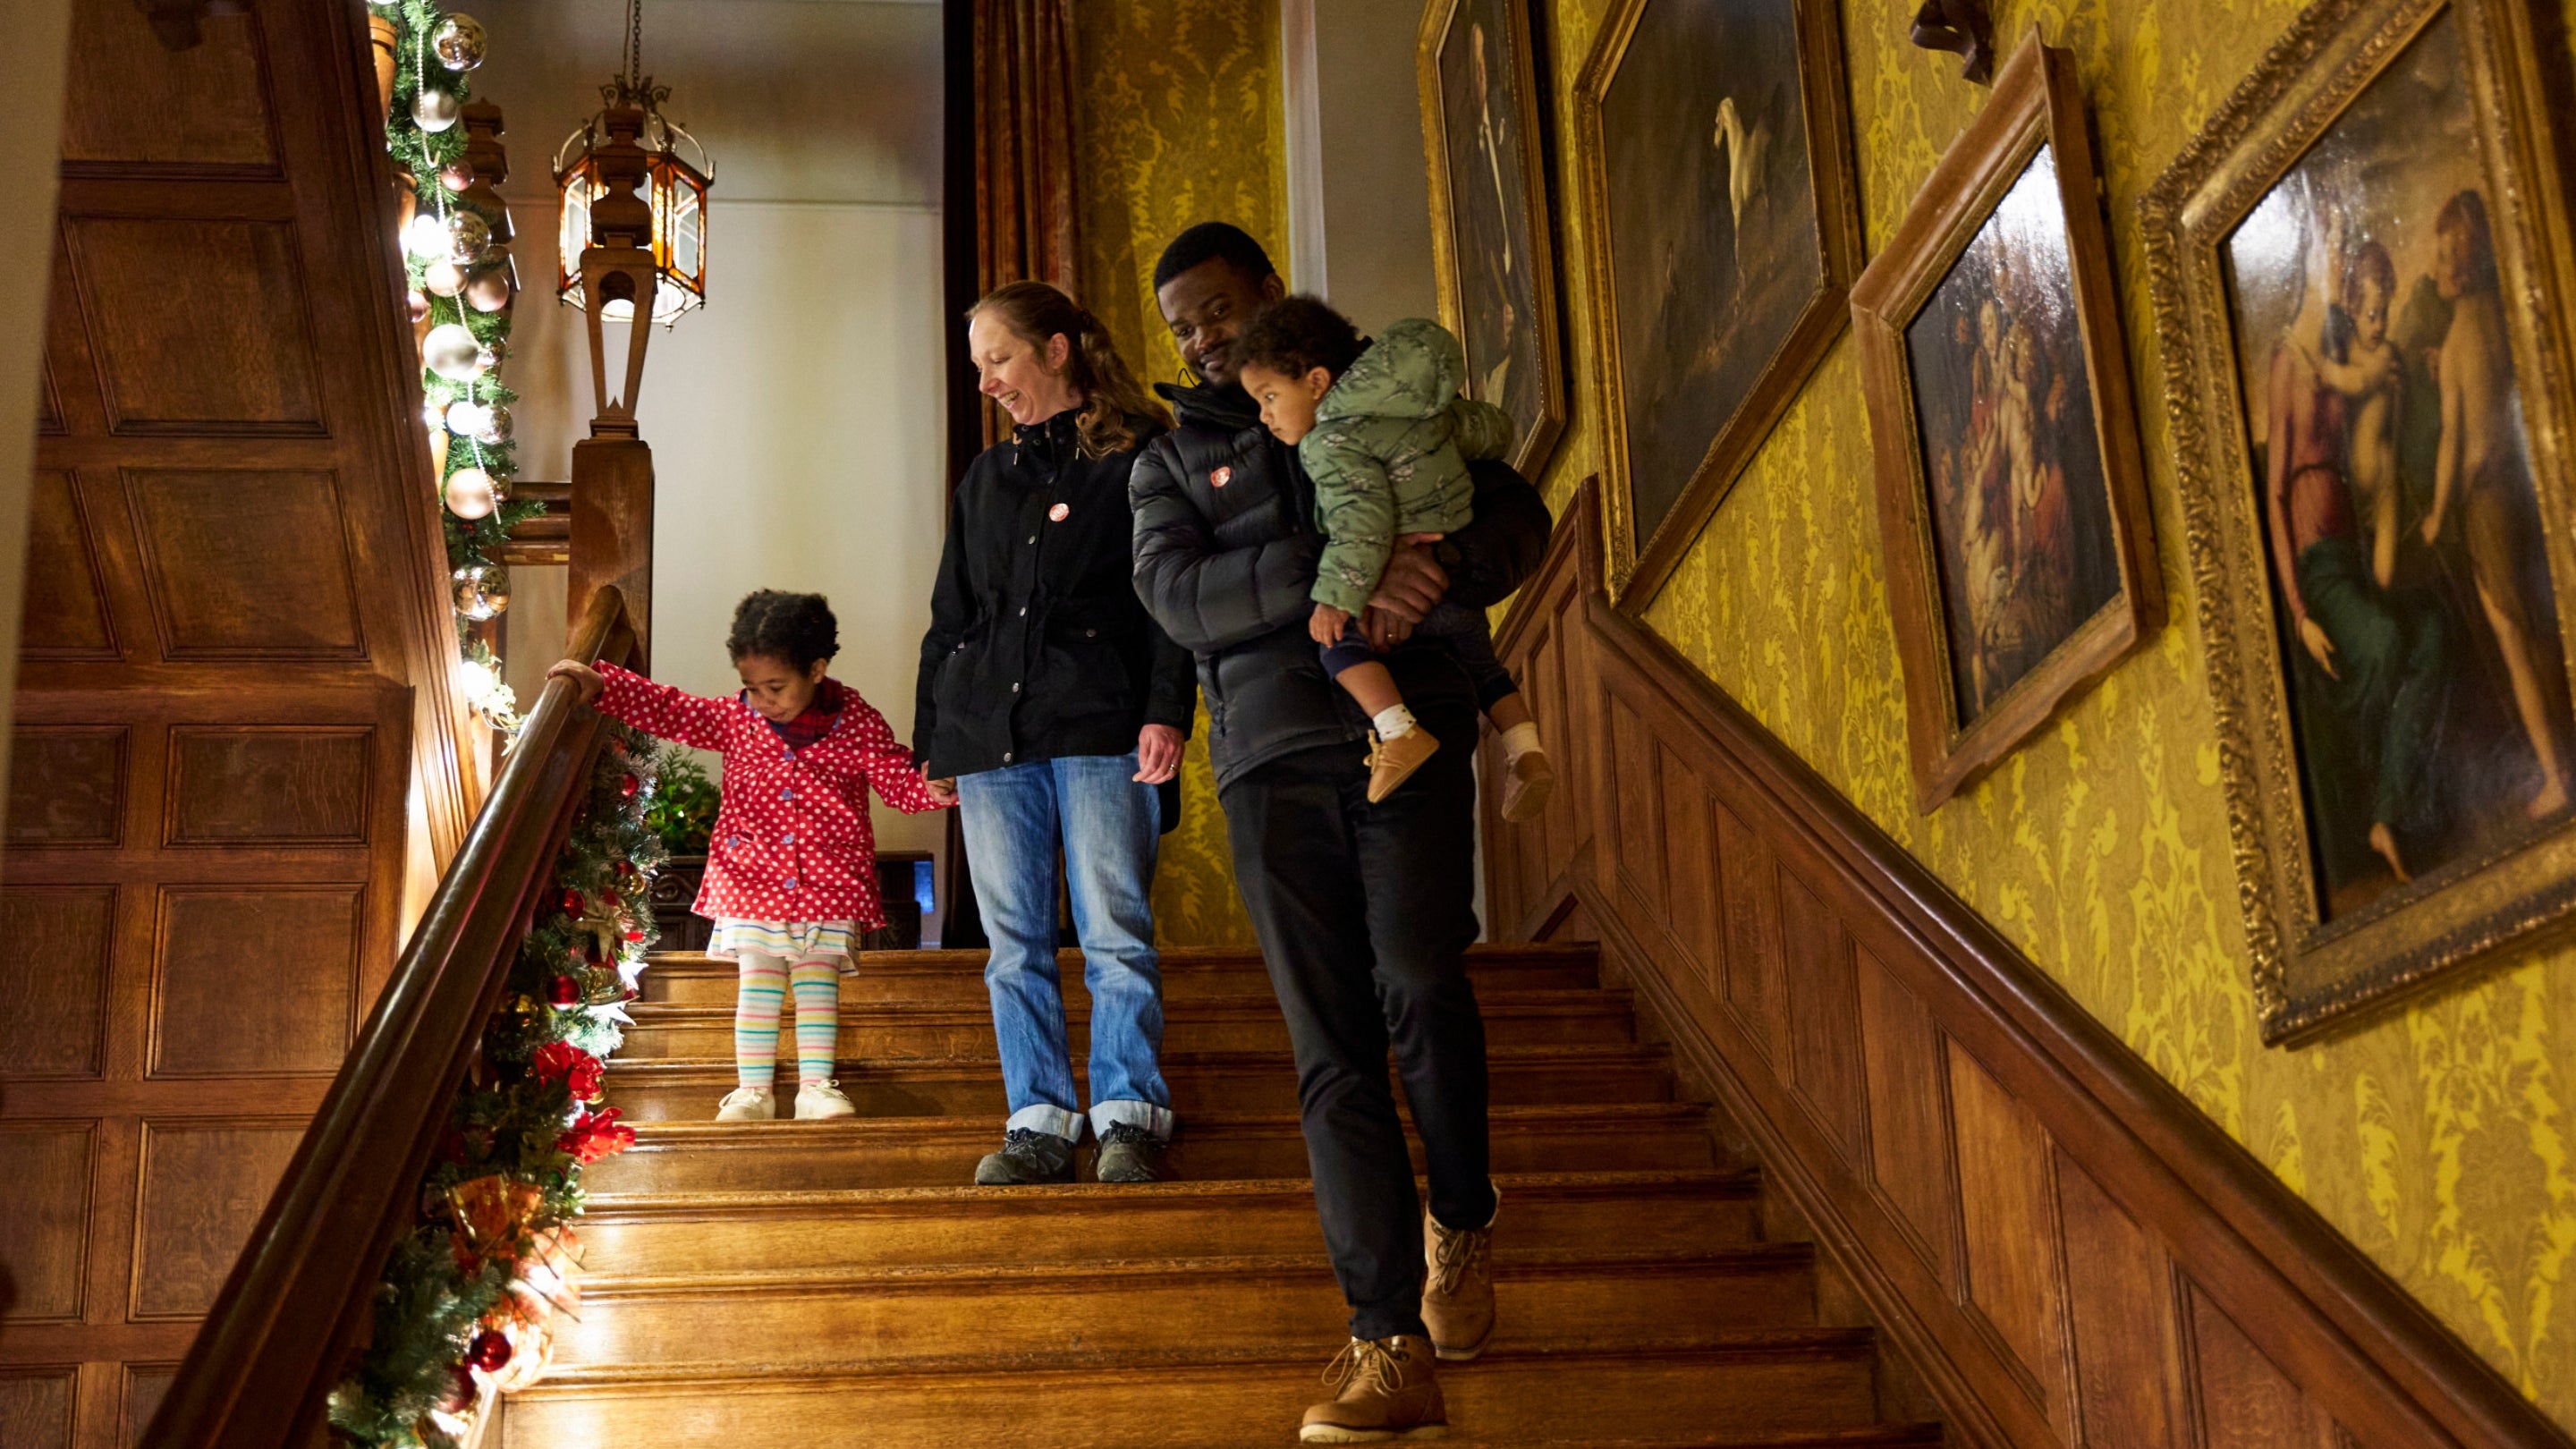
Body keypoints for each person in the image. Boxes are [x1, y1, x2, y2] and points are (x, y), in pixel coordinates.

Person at [1130, 222, 1552, 1444]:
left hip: (1409, 722)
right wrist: (1339, 568)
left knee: (1420, 978)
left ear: (1269, 296)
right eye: (1183, 326)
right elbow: (1177, 598)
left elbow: (1514, 516)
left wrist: (1441, 564)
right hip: (1268, 756)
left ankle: (1461, 1220)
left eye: (1217, 309)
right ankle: (1385, 1339)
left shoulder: (1380, 389)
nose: (1203, 338)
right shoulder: (1174, 458)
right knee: (1331, 1049)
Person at [917, 280, 1196, 1186]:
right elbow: (950, 615)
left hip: (1103, 727)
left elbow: (1167, 603)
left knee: (1114, 928)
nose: (988, 381)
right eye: (979, 366)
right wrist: (934, 738)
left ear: (1057, 350)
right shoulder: (985, 480)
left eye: (999, 359)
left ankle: (1128, 1114)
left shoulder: (1143, 459)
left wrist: (1167, 711)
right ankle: (1037, 1119)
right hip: (989, 740)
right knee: (1014, 942)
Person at [550, 591, 950, 1120]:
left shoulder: (857, 723)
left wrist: (932, 788)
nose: (762, 700)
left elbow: (896, 777)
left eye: (776, 688)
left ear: (817, 668)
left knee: (816, 984)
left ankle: (816, 1088)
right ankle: (753, 1091)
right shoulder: (739, 719)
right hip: (751, 878)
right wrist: (605, 684)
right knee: (758, 985)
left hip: (829, 881)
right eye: (751, 688)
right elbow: (675, 710)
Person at [1233, 293, 1554, 816]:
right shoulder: (1417, 410)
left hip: (1402, 595)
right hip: (1457, 583)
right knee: (1485, 669)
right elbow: (1488, 431)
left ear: (1316, 383)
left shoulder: (1328, 443)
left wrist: (1336, 600)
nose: (1265, 416)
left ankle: (1397, 731)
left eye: (1269, 397)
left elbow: (1361, 523)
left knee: (1335, 646)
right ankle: (1527, 752)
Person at [2267, 209, 2443, 884]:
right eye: (2327, 245)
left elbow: (2376, 408)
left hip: (2361, 551)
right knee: (2384, 644)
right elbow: (2276, 496)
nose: (2336, 257)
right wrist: (2298, 612)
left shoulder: (2344, 347)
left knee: (2431, 632)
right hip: (2319, 567)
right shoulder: (2290, 361)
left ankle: (2388, 813)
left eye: (2342, 245)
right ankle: (2373, 805)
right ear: (2308, 255)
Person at [2419, 188, 2568, 819]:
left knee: (2511, 634)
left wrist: (2433, 513)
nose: (2435, 270)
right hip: (2522, 483)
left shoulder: (2454, 341)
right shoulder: (2500, 317)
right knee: (2545, 618)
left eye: (2443, 257)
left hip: (2484, 501)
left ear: (2461, 264)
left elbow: (2454, 438)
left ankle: (2558, 777)